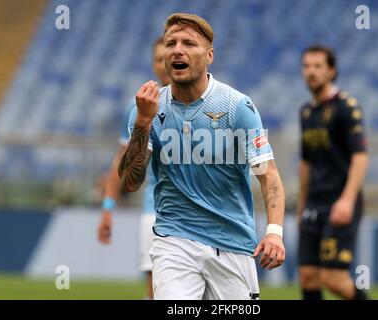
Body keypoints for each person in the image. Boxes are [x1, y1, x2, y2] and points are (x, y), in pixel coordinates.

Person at [118, 13, 286, 300]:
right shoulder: (147, 110)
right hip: (174, 240)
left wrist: (274, 232)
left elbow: (268, 173)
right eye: (171, 43)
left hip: (231, 242)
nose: (177, 50)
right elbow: (131, 183)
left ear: (209, 56)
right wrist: (143, 125)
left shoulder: (237, 107)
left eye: (188, 43)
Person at [97, 37, 170, 300]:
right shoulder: (141, 107)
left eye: (167, 57)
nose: (163, 64)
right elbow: (121, 160)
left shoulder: (208, 105)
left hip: (201, 216)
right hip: (156, 212)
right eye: (157, 59)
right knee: (156, 290)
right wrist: (108, 207)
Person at [297, 45, 369, 300]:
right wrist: (301, 203)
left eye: (317, 66)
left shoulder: (346, 108)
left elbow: (360, 156)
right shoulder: (306, 112)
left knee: (334, 279)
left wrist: (348, 200)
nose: (311, 72)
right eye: (306, 66)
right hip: (313, 203)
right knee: (307, 276)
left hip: (339, 201)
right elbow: (305, 162)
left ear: (331, 71)